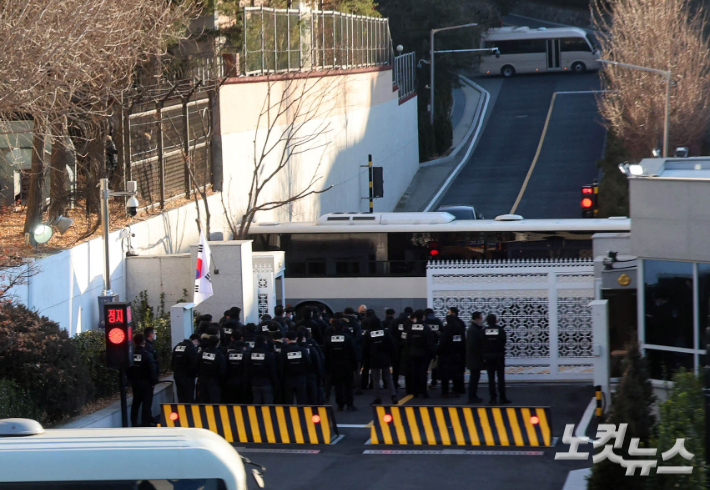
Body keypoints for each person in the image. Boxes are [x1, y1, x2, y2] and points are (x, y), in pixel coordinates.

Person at [362, 314, 398, 405]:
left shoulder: (368, 334)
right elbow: (391, 345)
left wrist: (366, 359)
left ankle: (377, 398)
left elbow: (365, 348)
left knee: (375, 379)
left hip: (374, 358)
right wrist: (393, 356)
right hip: (385, 357)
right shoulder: (385, 332)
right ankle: (393, 395)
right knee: (388, 377)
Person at [324, 320, 358, 411]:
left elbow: (326, 355)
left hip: (334, 366)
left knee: (337, 386)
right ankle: (350, 404)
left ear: (333, 328)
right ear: (343, 328)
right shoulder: (348, 338)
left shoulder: (328, 339)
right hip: (347, 365)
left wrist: (327, 367)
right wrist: (355, 366)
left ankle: (340, 404)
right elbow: (353, 353)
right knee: (348, 386)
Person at [128, 333, 158, 427]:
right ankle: (146, 423)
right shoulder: (147, 355)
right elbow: (152, 370)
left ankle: (134, 423)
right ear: (144, 342)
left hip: (135, 383)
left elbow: (127, 370)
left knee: (135, 403)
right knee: (146, 404)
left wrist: (131, 380)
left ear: (134, 342)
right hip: (146, 384)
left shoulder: (130, 355)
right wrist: (154, 382)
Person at [406, 309, 435, 398]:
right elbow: (430, 342)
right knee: (423, 373)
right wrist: (432, 354)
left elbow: (407, 341)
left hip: (412, 353)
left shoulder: (410, 327)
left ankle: (415, 392)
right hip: (423, 354)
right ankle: (424, 392)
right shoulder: (426, 327)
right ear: (423, 317)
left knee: (414, 373)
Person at [482, 314, 510, 405]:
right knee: (501, 378)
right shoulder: (500, 330)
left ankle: (492, 398)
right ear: (495, 320)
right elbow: (504, 341)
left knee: (491, 378)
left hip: (489, 357)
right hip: (499, 356)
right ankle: (502, 398)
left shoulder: (484, 331)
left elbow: (481, 342)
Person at [438, 314, 466, 398]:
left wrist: (438, 352)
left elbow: (442, 343)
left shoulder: (446, 330)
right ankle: (455, 390)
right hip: (455, 355)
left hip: (445, 355)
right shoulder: (458, 329)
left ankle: (444, 391)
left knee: (445, 376)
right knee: (455, 374)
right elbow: (459, 342)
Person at [246, 335, 279, 404]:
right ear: (265, 342)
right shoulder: (269, 355)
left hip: (254, 383)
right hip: (267, 383)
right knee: (268, 404)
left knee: (256, 403)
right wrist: (276, 382)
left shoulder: (250, 354)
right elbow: (273, 371)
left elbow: (247, 369)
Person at [280, 331, 310, 404]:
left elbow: (281, 365)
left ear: (286, 339)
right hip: (301, 378)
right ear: (296, 338)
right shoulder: (303, 350)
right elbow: (308, 363)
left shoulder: (284, 351)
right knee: (301, 399)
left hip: (288, 378)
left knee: (289, 400)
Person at [197, 328, 226, 403]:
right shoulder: (219, 355)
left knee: (203, 401)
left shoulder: (201, 353)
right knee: (214, 402)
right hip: (214, 382)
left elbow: (196, 365)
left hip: (202, 380)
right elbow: (222, 370)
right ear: (217, 343)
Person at [298, 327, 323, 404]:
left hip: (300, 375)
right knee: (313, 395)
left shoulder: (296, 346)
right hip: (312, 374)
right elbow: (319, 358)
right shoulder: (313, 345)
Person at [172, 333, 199, 403]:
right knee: (189, 397)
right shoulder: (191, 348)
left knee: (180, 396)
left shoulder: (177, 346)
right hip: (188, 377)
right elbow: (193, 364)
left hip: (177, 375)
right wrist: (194, 375)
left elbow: (172, 362)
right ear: (195, 340)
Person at [389, 306, 412, 389]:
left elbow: (390, 334)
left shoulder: (395, 321)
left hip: (396, 347)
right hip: (407, 348)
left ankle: (395, 383)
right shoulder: (409, 322)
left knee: (396, 367)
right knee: (408, 367)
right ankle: (409, 386)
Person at [224, 330, 250, 404]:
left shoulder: (228, 354)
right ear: (244, 347)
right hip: (242, 380)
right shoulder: (246, 355)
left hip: (230, 380)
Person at [447, 307, 468, 394]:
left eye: (449, 312)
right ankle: (461, 388)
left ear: (453, 313)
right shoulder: (461, 323)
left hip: (454, 351)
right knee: (460, 370)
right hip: (461, 349)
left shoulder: (452, 325)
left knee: (455, 370)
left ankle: (456, 388)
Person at [343, 307, 363, 395]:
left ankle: (346, 386)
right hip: (355, 350)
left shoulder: (342, 323)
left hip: (344, 350)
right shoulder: (356, 323)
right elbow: (359, 337)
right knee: (356, 370)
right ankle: (357, 388)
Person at [466, 312, 485, 404]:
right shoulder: (473, 330)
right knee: (474, 378)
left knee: (475, 377)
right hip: (474, 358)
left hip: (474, 358)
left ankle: (473, 396)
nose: (482, 319)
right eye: (481, 317)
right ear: (477, 318)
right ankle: (471, 396)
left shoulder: (474, 329)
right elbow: (473, 345)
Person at [423, 309, 443, 389]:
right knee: (434, 365)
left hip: (426, 346)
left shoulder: (425, 322)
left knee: (425, 365)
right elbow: (441, 332)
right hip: (435, 345)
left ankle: (424, 382)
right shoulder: (438, 321)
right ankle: (434, 381)